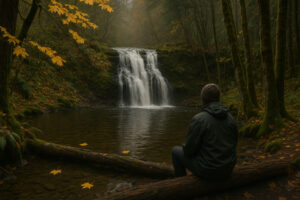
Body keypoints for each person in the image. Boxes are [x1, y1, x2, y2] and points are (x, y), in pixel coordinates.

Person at [172, 83, 238, 180]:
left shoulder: (199, 119)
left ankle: (181, 184)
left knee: (175, 151)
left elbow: (188, 150)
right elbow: (234, 143)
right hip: (228, 168)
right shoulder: (230, 118)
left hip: (208, 171)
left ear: (203, 99)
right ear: (218, 98)